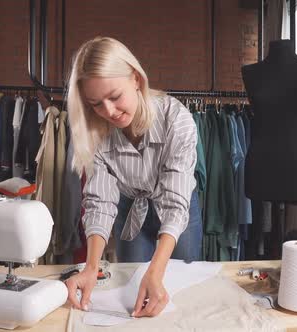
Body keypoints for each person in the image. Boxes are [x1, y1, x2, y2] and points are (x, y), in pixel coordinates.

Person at [64, 36, 201, 318]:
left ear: (136, 78)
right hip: (130, 210)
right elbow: (100, 203)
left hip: (178, 211)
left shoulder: (178, 119)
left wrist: (156, 270)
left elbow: (176, 206)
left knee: (179, 295)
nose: (109, 112)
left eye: (114, 97)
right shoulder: (96, 131)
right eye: (96, 104)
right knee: (131, 292)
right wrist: (91, 268)